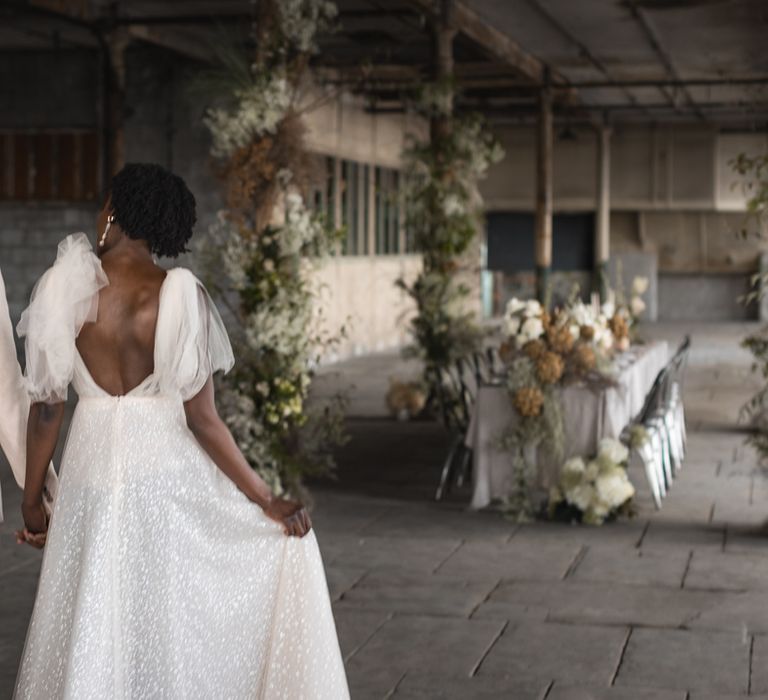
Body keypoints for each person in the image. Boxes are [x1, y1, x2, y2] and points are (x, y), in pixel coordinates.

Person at [9, 163, 350, 699]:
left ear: (117, 212)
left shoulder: (63, 288)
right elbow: (203, 419)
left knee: (90, 609)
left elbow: (48, 409)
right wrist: (265, 499)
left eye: (105, 203)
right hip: (163, 479)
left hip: (89, 476)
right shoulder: (178, 294)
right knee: (161, 617)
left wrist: (32, 503)